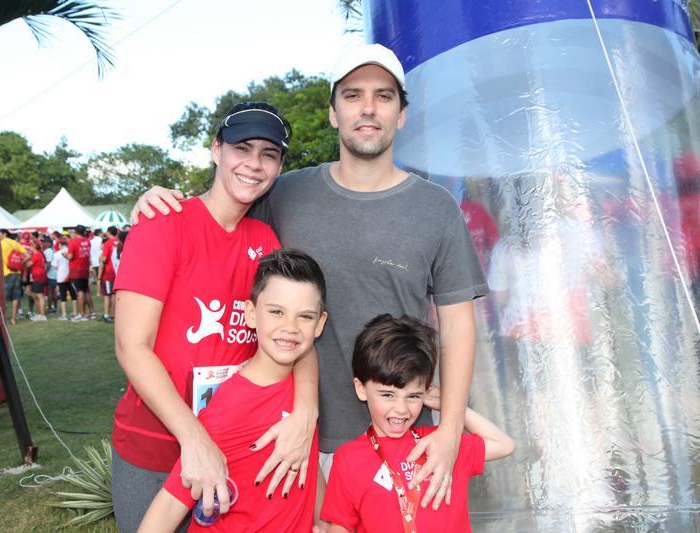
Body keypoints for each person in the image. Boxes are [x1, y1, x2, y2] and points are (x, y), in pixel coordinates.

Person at [131, 43, 488, 509]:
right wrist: (161, 201)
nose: (368, 108)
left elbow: (458, 327)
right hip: (297, 439)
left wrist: (450, 430)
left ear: (402, 115)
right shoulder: (285, 194)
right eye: (353, 95)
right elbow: (222, 208)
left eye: (383, 96)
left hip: (399, 435)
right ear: (333, 112)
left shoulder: (436, 208)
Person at [112, 102, 320, 533]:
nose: (254, 164)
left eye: (268, 154)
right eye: (242, 148)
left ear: (279, 166)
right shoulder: (163, 223)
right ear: (215, 150)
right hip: (155, 447)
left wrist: (305, 413)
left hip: (235, 446)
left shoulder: (265, 241)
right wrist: (194, 438)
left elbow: (298, 336)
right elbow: (131, 346)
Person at [139, 249, 328, 532]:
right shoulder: (230, 407)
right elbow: (166, 509)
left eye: (305, 316)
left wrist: (324, 522)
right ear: (251, 314)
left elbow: (306, 462)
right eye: (276, 312)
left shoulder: (303, 394)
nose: (290, 327)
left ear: (320, 324)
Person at [320, 314, 514, 532]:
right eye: (388, 395)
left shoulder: (441, 444)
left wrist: (449, 404)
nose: (401, 409)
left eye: (413, 396)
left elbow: (504, 445)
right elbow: (340, 525)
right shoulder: (348, 458)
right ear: (361, 389)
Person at [0, 229, 29, 326]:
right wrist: (20, 264)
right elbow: (28, 256)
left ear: (4, 234)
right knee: (16, 297)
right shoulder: (15, 243)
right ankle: (13, 319)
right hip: (16, 272)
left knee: (4, 297)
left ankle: (4, 318)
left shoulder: (0, 243)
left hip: (6, 273)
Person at [67, 224, 94, 321]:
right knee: (86, 290)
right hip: (85, 268)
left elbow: (70, 256)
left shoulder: (72, 242)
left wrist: (65, 255)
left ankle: (82, 313)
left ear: (75, 232)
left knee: (80, 291)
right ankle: (92, 312)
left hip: (76, 269)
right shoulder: (87, 241)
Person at [52, 239, 77, 320]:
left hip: (61, 275)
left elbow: (55, 265)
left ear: (60, 245)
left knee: (63, 294)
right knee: (73, 293)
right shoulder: (70, 252)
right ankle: (75, 311)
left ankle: (64, 314)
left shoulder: (57, 254)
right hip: (71, 274)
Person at [99, 225, 119, 323]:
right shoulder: (119, 242)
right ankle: (114, 314)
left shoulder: (108, 243)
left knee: (107, 295)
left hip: (109, 272)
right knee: (114, 294)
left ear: (109, 232)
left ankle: (107, 314)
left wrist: (100, 257)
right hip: (117, 271)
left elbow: (104, 258)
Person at [26, 240, 48, 321]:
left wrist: (27, 257)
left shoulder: (36, 255)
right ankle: (40, 314)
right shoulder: (39, 254)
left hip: (38, 276)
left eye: (30, 246)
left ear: (33, 247)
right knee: (37, 295)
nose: (29, 248)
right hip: (38, 276)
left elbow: (28, 265)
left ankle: (42, 315)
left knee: (40, 296)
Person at [43, 237, 58, 313]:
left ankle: (50, 307)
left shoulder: (48, 251)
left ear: (49, 244)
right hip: (54, 273)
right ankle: (55, 307)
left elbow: (48, 263)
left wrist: (45, 272)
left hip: (50, 274)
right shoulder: (52, 250)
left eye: (45, 242)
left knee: (50, 291)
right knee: (53, 291)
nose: (43, 244)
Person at [90, 228, 103, 296]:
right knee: (101, 277)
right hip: (100, 259)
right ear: (99, 233)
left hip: (93, 260)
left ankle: (98, 292)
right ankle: (100, 291)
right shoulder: (101, 240)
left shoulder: (91, 241)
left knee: (98, 277)